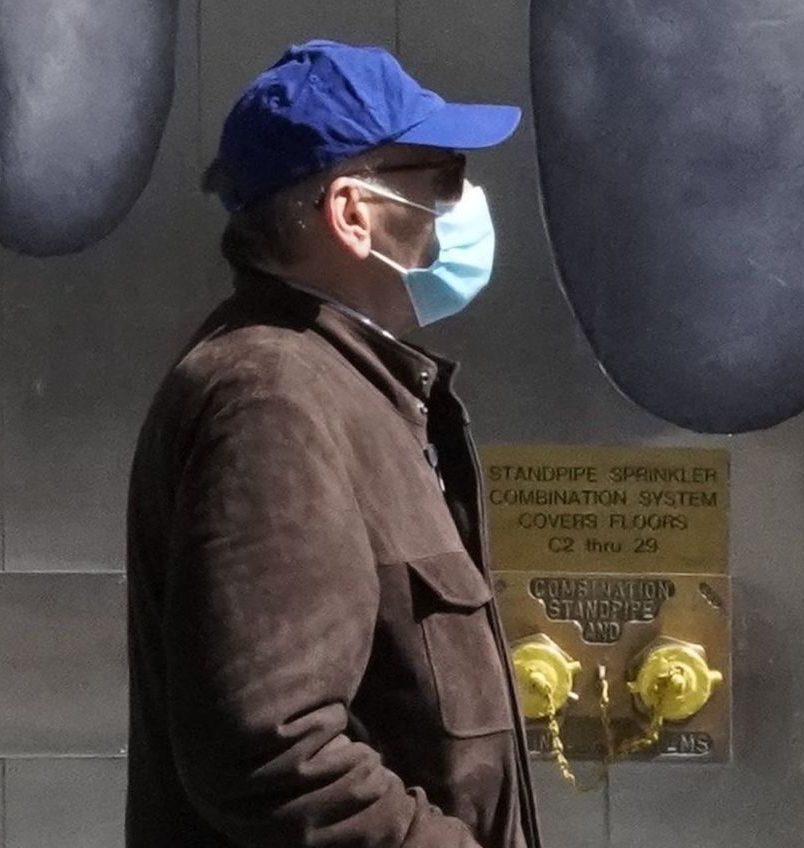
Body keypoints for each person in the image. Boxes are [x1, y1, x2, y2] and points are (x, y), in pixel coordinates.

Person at [127, 41, 546, 848]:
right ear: (352, 213)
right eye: (444, 176)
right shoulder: (272, 400)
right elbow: (271, 754)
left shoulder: (344, 384)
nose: (465, 202)